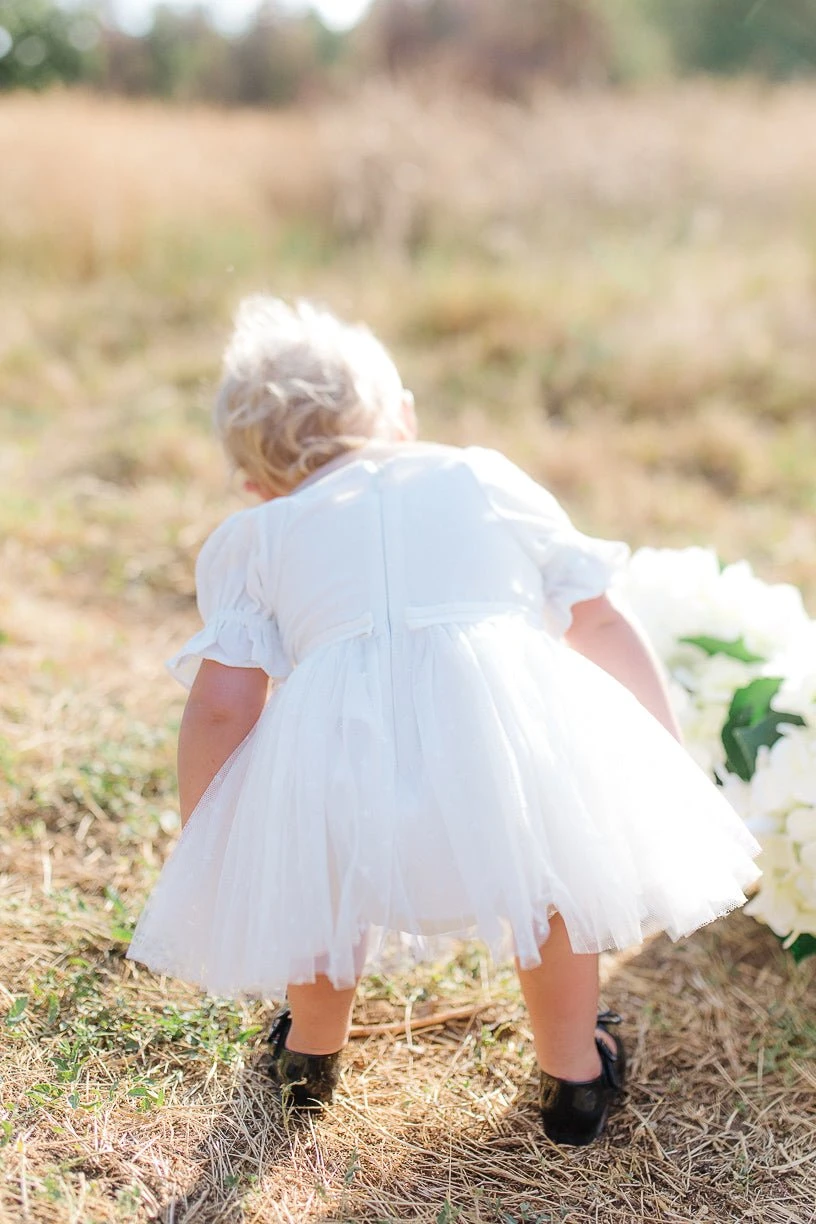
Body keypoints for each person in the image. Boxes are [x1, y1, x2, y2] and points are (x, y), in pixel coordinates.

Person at [127, 297, 761, 1146]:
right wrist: (660, 748)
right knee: (553, 878)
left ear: (256, 482)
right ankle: (574, 1073)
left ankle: (309, 1054)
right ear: (404, 418)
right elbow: (600, 619)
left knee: (320, 872)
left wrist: (210, 833)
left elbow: (223, 702)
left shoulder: (259, 534)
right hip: (503, 743)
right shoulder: (483, 477)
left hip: (343, 752)